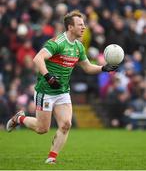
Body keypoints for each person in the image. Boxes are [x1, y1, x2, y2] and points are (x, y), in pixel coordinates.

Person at [6, 10, 118, 164]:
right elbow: (37, 58)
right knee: (42, 129)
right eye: (80, 25)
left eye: (84, 24)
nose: (84, 27)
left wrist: (103, 68)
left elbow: (87, 67)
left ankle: (52, 158)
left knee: (66, 124)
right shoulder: (57, 42)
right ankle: (19, 118)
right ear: (70, 27)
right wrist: (48, 76)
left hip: (63, 92)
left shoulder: (79, 46)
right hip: (45, 90)